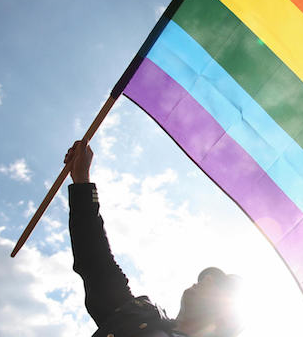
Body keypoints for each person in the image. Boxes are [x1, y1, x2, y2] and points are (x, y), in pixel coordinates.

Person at [65, 140, 243, 337]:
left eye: (220, 284)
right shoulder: (141, 315)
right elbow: (98, 265)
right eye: (211, 277)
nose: (207, 278)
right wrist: (82, 182)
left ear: (227, 319)